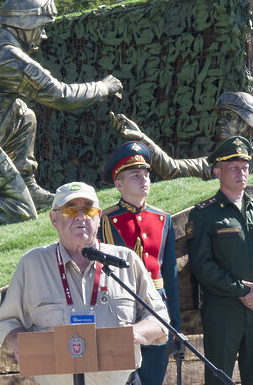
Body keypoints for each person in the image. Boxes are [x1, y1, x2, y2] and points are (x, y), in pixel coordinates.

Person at [0, 0, 123, 223]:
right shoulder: (9, 58)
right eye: (40, 28)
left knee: (24, 114)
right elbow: (61, 95)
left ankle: (27, 185)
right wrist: (103, 86)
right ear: (24, 25)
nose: (43, 35)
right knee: (21, 209)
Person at [110, 92, 253, 304]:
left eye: (229, 116)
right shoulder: (217, 165)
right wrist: (141, 138)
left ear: (248, 122)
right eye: (221, 116)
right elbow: (173, 168)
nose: (221, 121)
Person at [0, 181, 169, 385]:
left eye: (88, 209)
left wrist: (137, 332)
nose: (80, 216)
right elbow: (7, 321)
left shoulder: (126, 261)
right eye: (70, 209)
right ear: (53, 218)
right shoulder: (32, 265)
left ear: (98, 216)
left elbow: (159, 319)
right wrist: (17, 340)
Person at [186, 136, 253, 385]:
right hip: (223, 311)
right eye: (233, 168)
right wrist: (243, 290)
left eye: (244, 167)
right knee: (219, 378)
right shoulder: (204, 214)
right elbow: (202, 265)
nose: (241, 173)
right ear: (217, 171)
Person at [99, 141, 180, 384]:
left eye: (146, 174)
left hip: (157, 307)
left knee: (153, 375)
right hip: (119, 309)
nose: (144, 179)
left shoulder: (162, 219)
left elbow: (170, 273)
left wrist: (174, 322)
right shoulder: (104, 219)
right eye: (135, 175)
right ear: (118, 184)